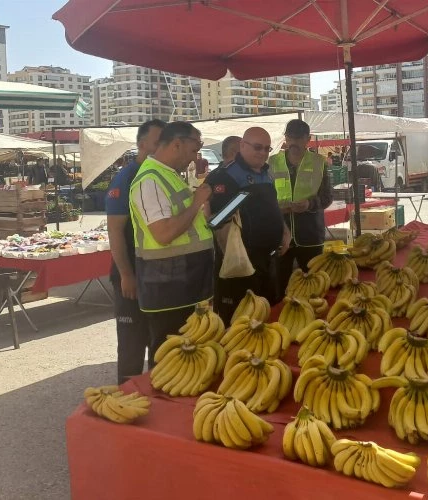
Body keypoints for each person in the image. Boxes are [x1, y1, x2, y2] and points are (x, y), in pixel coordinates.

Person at [129, 121, 214, 363]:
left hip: (186, 285)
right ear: (177, 144)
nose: (195, 157)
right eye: (194, 150)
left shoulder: (169, 176)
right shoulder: (150, 181)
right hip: (168, 291)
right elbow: (164, 233)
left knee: (193, 359)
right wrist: (197, 202)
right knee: (170, 364)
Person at [205, 127, 291, 325]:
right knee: (239, 325)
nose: (262, 153)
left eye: (267, 149)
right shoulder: (224, 176)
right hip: (240, 267)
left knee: (269, 319)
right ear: (242, 145)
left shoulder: (266, 173)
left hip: (268, 262)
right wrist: (242, 198)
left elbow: (273, 207)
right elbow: (215, 221)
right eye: (257, 147)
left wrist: (285, 231)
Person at [106, 119, 165, 382]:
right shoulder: (127, 177)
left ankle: (155, 392)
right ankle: (126, 394)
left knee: (158, 341)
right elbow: (115, 230)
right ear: (141, 144)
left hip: (156, 273)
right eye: (157, 142)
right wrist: (126, 275)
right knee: (132, 342)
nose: (162, 147)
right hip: (131, 273)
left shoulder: (160, 175)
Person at [269, 119, 333, 297]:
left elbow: (327, 197)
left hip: (310, 234)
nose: (293, 142)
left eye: (298, 138)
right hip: (280, 233)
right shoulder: (272, 163)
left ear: (308, 139)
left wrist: (309, 204)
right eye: (290, 137)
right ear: (285, 138)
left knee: (314, 284)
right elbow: (265, 196)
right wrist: (277, 208)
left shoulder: (319, 163)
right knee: (280, 284)